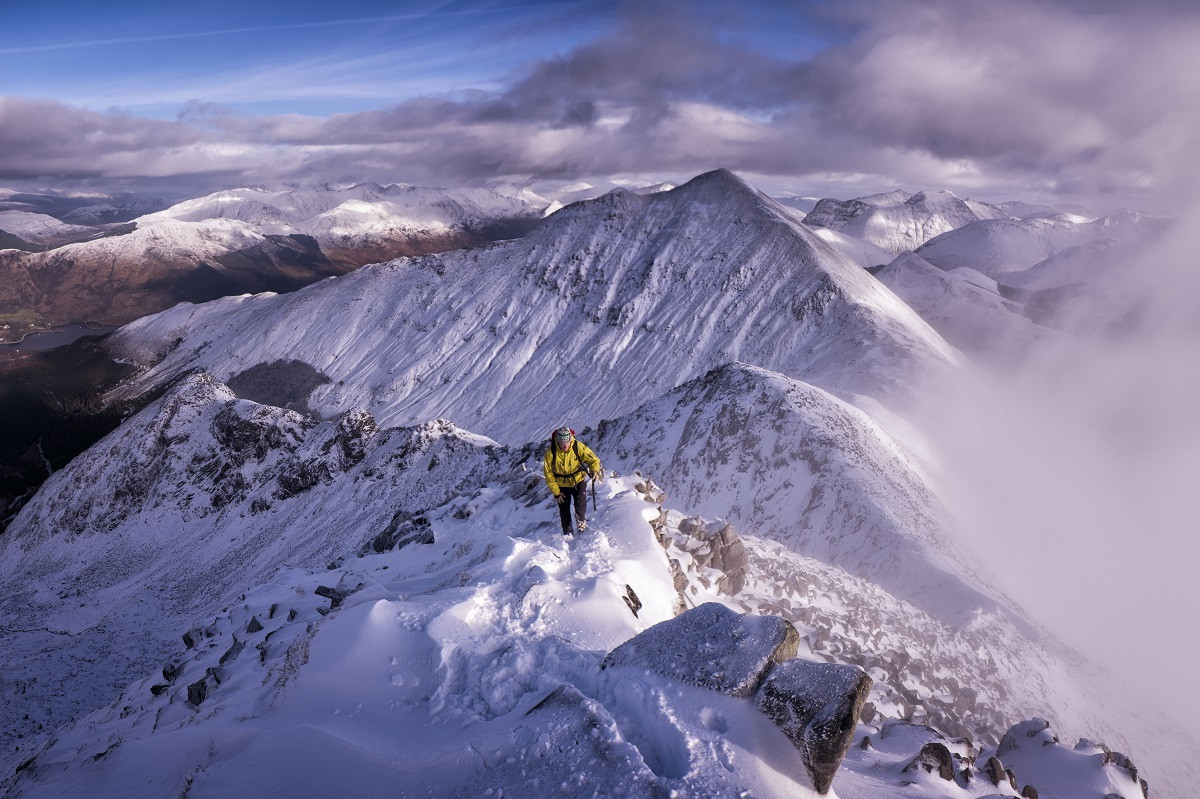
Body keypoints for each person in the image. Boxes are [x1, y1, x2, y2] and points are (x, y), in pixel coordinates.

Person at [543, 426, 602, 536]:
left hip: (578, 480)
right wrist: (556, 493)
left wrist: (594, 470)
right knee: (564, 509)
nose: (565, 445)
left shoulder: (577, 446)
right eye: (562, 443)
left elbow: (593, 459)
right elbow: (549, 474)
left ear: (571, 439)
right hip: (561, 484)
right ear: (557, 441)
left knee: (580, 502)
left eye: (567, 442)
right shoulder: (551, 453)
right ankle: (567, 531)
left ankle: (581, 522)